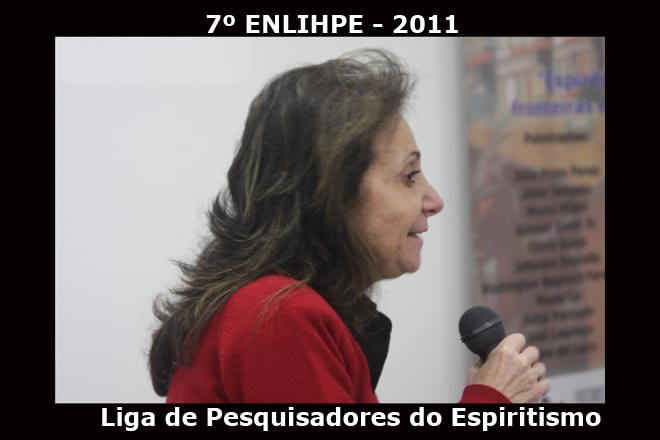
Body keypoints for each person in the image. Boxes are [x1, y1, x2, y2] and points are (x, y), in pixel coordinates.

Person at [148, 49, 550, 403]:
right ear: (331, 194)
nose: (434, 201)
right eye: (409, 176)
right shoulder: (277, 315)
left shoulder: (275, 305)